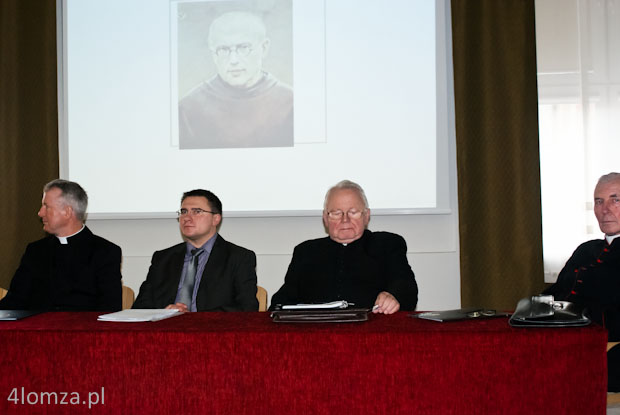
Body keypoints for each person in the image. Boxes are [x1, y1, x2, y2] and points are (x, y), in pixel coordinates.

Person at [270, 180, 418, 314]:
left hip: (370, 333)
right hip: (315, 334)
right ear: (325, 218)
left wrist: (393, 296)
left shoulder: (387, 244)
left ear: (366, 216)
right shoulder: (306, 252)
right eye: (336, 213)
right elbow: (283, 299)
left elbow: (405, 285)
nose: (345, 219)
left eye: (353, 212)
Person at [543, 172, 620, 391]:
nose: (605, 210)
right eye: (599, 201)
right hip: (564, 341)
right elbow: (558, 292)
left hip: (604, 350)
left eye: (615, 199)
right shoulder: (586, 250)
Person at [0, 179, 122, 311]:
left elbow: (109, 308)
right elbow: (14, 301)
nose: (40, 213)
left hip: (83, 330)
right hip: (37, 329)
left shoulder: (105, 252)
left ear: (68, 212)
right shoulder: (36, 251)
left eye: (46, 206)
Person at [179, 11, 293, 149]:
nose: (233, 60)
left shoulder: (290, 102)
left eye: (244, 48)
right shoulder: (189, 108)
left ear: (264, 48)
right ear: (214, 55)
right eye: (223, 50)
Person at [132, 189, 258, 311]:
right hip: (164, 329)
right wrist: (165, 312)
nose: (187, 217)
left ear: (216, 219)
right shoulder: (163, 258)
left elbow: (246, 307)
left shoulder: (239, 257)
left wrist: (194, 319)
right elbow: (140, 306)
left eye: (196, 211)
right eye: (184, 211)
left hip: (210, 330)